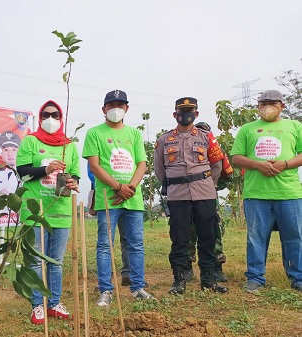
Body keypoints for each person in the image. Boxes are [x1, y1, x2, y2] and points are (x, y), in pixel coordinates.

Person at [83, 89, 154, 307]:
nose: (116, 109)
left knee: (136, 244)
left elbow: (142, 163)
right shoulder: (94, 133)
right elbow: (94, 165)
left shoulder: (134, 134)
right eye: (112, 105)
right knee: (105, 245)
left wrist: (130, 187)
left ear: (127, 108)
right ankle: (105, 290)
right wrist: (117, 187)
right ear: (103, 109)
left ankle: (138, 287)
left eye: (120, 105)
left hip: (133, 199)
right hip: (108, 198)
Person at [154, 97, 228, 295]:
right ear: (175, 114)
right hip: (178, 195)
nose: (185, 115)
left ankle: (208, 279)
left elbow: (217, 164)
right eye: (181, 111)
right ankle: (179, 280)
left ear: (196, 114)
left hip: (204, 192)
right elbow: (159, 169)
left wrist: (209, 185)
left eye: (190, 111)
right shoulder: (164, 139)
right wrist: (172, 185)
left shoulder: (206, 137)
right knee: (180, 238)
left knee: (208, 234)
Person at [231, 90, 302, 294]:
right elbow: (236, 157)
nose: (267, 107)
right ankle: (255, 278)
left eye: (273, 103)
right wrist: (257, 165)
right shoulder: (247, 129)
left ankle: (297, 277)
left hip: (289, 192)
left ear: (282, 105)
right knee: (256, 237)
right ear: (257, 106)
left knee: (294, 237)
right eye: (263, 103)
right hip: (256, 193)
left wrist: (285, 164)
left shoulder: (294, 126)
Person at [16, 100, 80, 325]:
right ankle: (37, 305)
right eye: (45, 115)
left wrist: (72, 182)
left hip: (60, 211)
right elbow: (22, 172)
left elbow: (75, 175)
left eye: (54, 115)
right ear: (40, 118)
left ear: (61, 118)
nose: (50, 119)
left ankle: (54, 303)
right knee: (35, 260)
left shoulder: (69, 145)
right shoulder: (30, 142)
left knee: (56, 260)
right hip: (35, 210)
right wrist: (46, 169)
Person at [184, 121, 233, 283]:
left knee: (214, 230)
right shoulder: (185, 147)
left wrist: (212, 186)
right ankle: (186, 268)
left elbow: (226, 176)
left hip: (209, 196)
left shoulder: (216, 151)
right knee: (187, 229)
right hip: (187, 195)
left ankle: (216, 268)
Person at [87, 162, 131, 286]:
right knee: (105, 243)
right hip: (106, 194)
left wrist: (125, 189)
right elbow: (92, 172)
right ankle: (106, 280)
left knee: (128, 238)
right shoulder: (98, 145)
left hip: (127, 195)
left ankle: (128, 274)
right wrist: (116, 186)